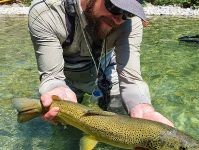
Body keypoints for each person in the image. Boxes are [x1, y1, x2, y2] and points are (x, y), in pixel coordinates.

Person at [28, 0, 174, 128]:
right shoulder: (46, 13)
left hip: (104, 68)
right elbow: (52, 76)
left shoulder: (131, 23)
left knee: (122, 115)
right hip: (66, 75)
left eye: (128, 12)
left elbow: (131, 80)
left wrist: (143, 108)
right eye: (115, 7)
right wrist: (56, 89)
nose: (119, 19)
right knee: (62, 123)